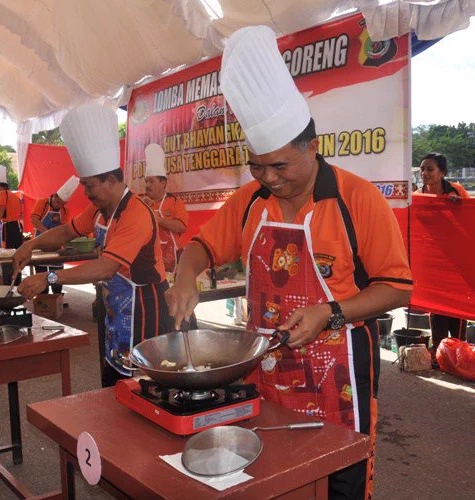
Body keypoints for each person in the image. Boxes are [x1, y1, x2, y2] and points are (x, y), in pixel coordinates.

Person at [164, 26, 412, 499]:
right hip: (267, 365)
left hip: (338, 371)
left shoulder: (357, 201)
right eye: (257, 166)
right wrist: (183, 277)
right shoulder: (250, 200)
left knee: (341, 479)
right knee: (273, 474)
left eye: (280, 166)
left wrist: (329, 311)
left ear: (312, 146)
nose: (269, 178)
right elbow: (200, 248)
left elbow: (398, 288)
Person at [14, 103, 172, 387]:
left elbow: (106, 267)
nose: (85, 193)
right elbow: (65, 232)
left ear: (110, 181)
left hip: (145, 310)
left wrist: (49, 277)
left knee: (142, 383)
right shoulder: (100, 209)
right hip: (116, 307)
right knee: (114, 375)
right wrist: (31, 245)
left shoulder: (136, 213)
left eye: (89, 186)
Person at [414, 152, 469, 359]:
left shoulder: (456, 191)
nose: (424, 174)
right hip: (432, 261)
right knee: (436, 307)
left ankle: (459, 355)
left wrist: (459, 205)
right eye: (422, 169)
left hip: (455, 261)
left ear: (442, 172)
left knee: (457, 308)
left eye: (430, 169)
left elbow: (467, 222)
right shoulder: (418, 196)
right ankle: (439, 354)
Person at [141, 143, 188, 273]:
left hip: (173, 260)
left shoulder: (174, 201)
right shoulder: (141, 203)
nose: (147, 185)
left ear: (163, 183)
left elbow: (181, 227)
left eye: (151, 181)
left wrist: (159, 220)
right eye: (146, 181)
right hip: (148, 261)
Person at [30, 175, 79, 294]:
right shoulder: (42, 203)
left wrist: (64, 242)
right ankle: (43, 297)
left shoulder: (64, 210)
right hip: (40, 241)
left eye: (62, 204)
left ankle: (56, 295)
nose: (58, 205)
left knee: (55, 271)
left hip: (55, 244)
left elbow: (63, 228)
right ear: (54, 196)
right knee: (41, 271)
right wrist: (48, 233)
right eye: (58, 202)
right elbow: (34, 220)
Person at [0, 165, 23, 285]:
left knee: (7, 256)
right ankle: (17, 280)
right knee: (16, 255)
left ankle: (8, 282)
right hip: (17, 226)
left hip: (8, 227)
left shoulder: (2, 194)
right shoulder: (14, 195)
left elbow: (0, 209)